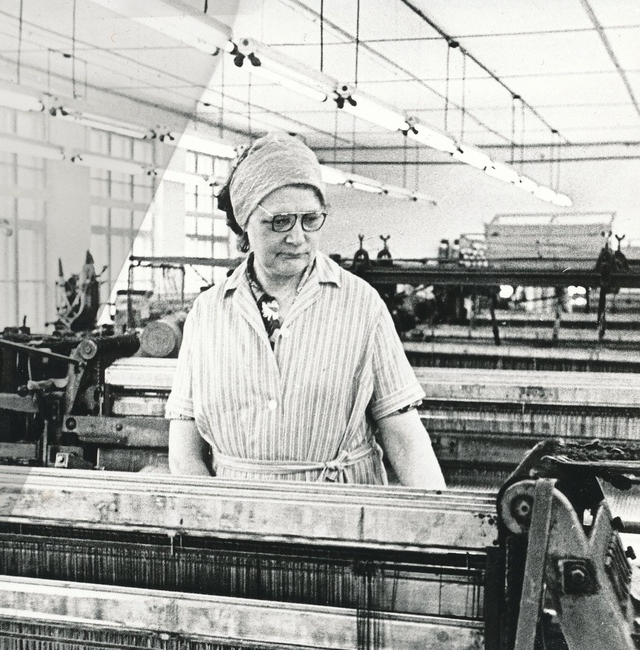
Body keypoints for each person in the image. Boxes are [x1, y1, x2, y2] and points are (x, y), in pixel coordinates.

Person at [165, 132, 445, 489]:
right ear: (245, 226)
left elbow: (405, 440)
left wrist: (440, 528)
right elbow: (185, 449)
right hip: (235, 521)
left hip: (342, 516)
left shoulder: (361, 304)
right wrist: (211, 521)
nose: (297, 237)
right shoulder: (208, 312)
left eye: (310, 220)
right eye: (279, 221)